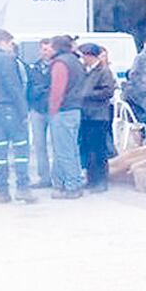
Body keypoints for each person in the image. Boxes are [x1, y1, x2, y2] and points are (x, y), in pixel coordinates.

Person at [0, 28, 33, 203]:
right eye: (10, 43)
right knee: (20, 150)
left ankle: (2, 191)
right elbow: (13, 86)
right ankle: (23, 188)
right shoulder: (6, 59)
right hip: (10, 110)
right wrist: (23, 111)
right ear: (3, 41)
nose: (11, 47)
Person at [47, 35, 86, 199]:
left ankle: (72, 186)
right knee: (71, 149)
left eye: (50, 46)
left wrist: (52, 110)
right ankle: (63, 182)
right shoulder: (76, 61)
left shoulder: (60, 63)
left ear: (56, 47)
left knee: (64, 151)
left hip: (63, 111)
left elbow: (57, 89)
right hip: (75, 109)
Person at [78, 43, 116, 191]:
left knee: (99, 149)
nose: (82, 59)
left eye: (84, 56)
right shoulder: (84, 71)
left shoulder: (104, 71)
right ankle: (91, 179)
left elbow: (108, 91)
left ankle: (101, 180)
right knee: (87, 148)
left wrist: (88, 94)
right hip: (85, 114)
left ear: (90, 55)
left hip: (99, 115)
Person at [27, 39, 54, 189]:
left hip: (53, 109)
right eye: (43, 49)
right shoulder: (34, 68)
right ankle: (44, 177)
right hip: (37, 109)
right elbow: (29, 86)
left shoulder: (58, 66)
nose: (46, 52)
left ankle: (57, 176)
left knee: (57, 145)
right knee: (39, 145)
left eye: (48, 49)